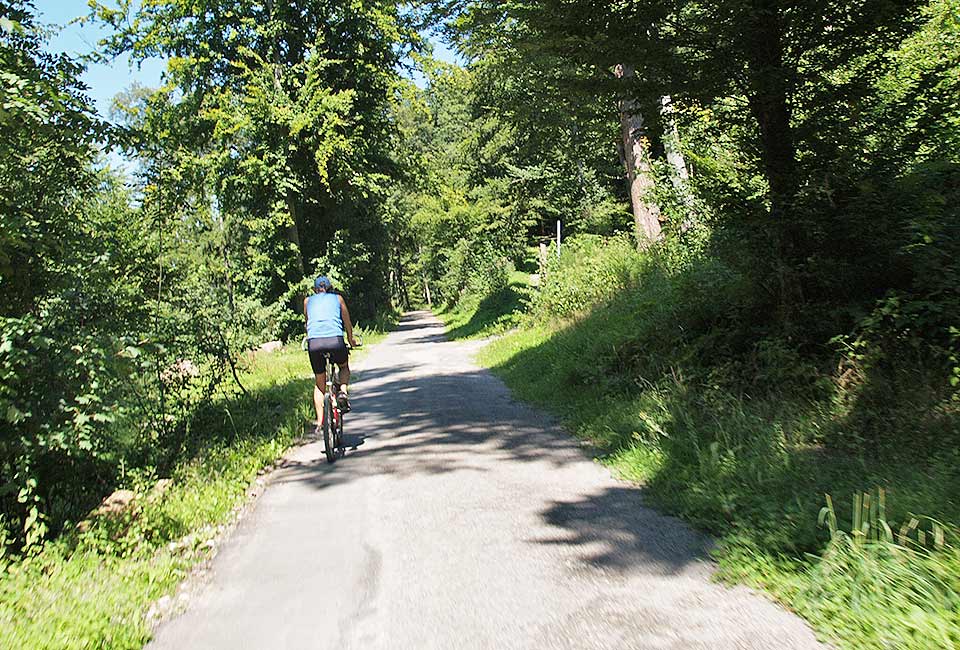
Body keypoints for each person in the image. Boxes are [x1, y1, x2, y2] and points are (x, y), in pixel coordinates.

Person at [304, 276, 358, 430]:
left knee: (320, 383)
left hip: (314, 343)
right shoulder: (338, 299)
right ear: (330, 288)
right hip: (335, 341)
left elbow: (308, 323)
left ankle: (320, 422)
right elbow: (347, 322)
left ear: (315, 290)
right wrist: (351, 339)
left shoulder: (307, 301)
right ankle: (342, 392)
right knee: (344, 367)